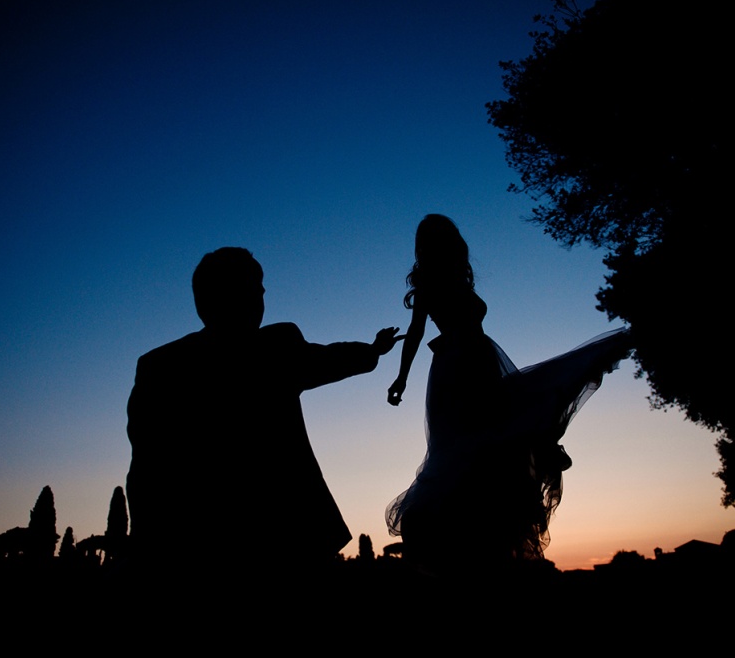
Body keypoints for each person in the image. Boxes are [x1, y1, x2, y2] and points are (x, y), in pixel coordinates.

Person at [126, 247, 399, 582]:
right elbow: (328, 359)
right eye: (256, 289)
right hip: (287, 540)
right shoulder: (276, 347)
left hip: (199, 551)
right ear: (235, 295)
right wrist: (373, 350)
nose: (261, 298)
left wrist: (146, 551)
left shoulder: (160, 366)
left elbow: (144, 474)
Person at [386, 215, 630, 577]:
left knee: (501, 434)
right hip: (456, 369)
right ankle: (466, 540)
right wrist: (401, 378)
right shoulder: (428, 284)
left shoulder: (457, 279)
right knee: (471, 445)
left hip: (481, 361)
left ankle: (496, 522)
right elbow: (416, 332)